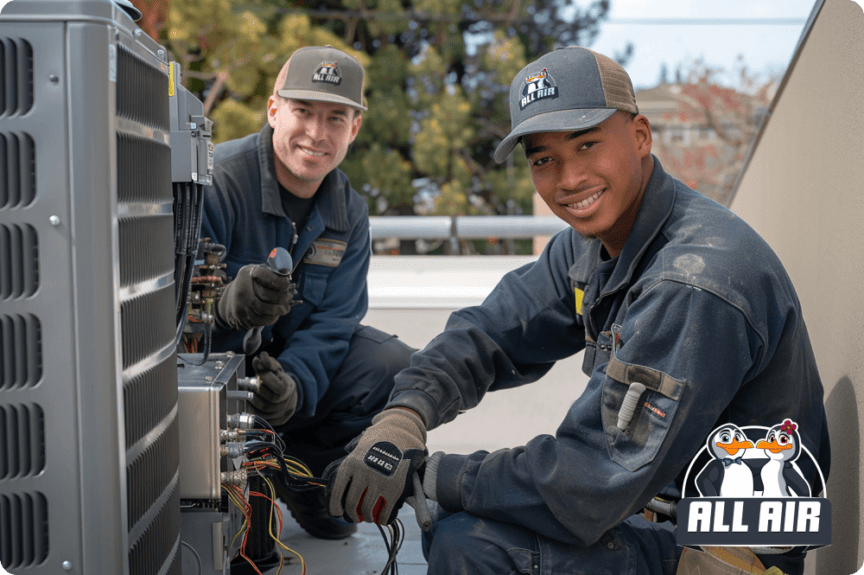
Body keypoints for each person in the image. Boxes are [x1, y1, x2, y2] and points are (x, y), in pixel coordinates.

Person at [325, 46, 830, 574]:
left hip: (725, 551)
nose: (568, 179)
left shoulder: (693, 280)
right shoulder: (600, 239)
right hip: (651, 508)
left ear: (640, 136)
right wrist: (403, 419)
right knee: (464, 524)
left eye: (587, 144)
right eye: (543, 159)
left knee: (471, 542)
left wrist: (432, 476)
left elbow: (592, 480)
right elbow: (490, 331)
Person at [200, 45, 415, 540]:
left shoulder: (350, 212)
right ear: (274, 110)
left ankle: (308, 479)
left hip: (290, 395)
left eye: (335, 118)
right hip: (217, 395)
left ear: (354, 128)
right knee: (237, 547)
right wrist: (224, 308)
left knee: (393, 364)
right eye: (303, 112)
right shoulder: (218, 182)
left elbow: (334, 324)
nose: (317, 134)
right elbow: (166, 315)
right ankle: (242, 477)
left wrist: (293, 386)